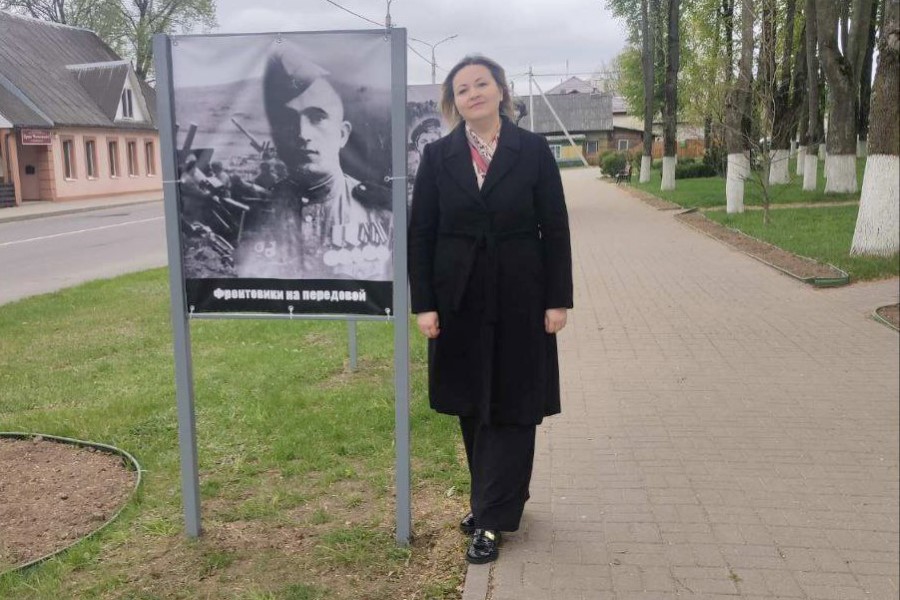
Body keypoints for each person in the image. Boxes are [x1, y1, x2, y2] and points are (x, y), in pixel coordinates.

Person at [408, 55, 573, 565]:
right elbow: (421, 234)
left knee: (514, 401)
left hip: (522, 293)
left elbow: (555, 226)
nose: (473, 93)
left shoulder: (533, 150)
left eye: (482, 83)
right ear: (453, 102)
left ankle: (491, 518)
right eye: (462, 89)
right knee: (472, 402)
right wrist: (424, 305)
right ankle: (494, 499)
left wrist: (558, 298)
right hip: (458, 297)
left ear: (501, 90)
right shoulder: (438, 156)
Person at [234, 50, 391, 280]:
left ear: (342, 134)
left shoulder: (380, 213)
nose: (302, 134)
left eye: (317, 118)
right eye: (289, 120)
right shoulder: (259, 214)